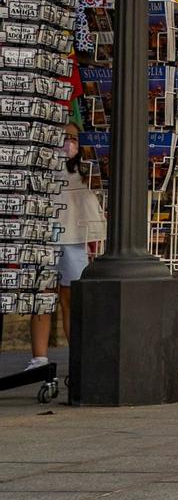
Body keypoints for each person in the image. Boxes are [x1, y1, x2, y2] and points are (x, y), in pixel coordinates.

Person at [26, 124, 104, 372]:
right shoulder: (40, 167)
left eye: (73, 138)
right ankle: (39, 359)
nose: (68, 142)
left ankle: (78, 357)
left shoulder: (86, 170)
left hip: (75, 238)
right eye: (63, 137)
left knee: (71, 298)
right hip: (45, 237)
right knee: (43, 296)